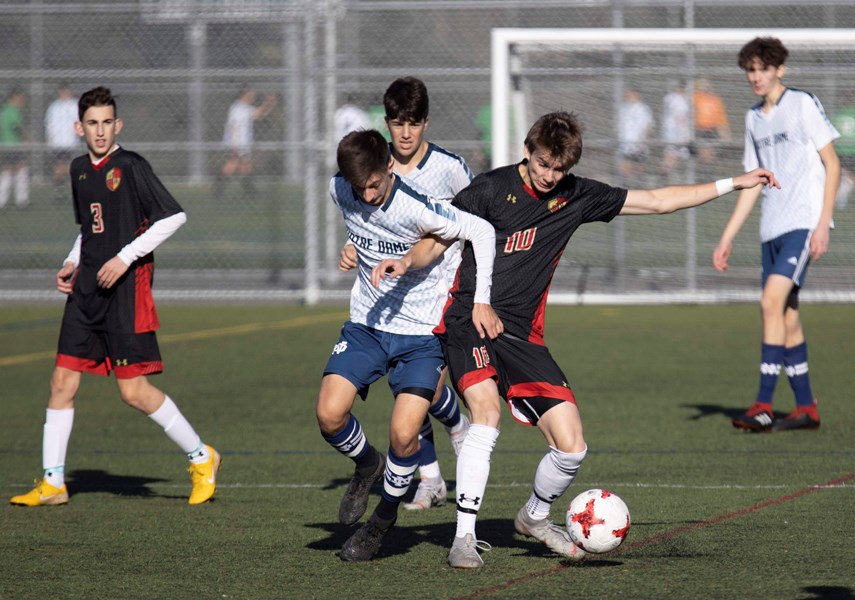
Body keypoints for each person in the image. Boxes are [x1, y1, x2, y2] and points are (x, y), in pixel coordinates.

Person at [380, 111, 778, 569]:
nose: (550, 176)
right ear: (527, 152)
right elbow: (438, 236)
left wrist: (735, 182)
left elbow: (657, 201)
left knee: (572, 445)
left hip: (522, 335)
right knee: (486, 415)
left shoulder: (575, 195)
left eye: (559, 169)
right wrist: (409, 263)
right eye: (543, 164)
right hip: (471, 318)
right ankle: (464, 537)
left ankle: (533, 516)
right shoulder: (490, 189)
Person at [10, 86, 220, 508]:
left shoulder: (131, 166)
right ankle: (54, 483)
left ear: (118, 125)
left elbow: (173, 216)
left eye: (107, 122)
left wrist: (125, 258)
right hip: (85, 291)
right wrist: (72, 260)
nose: (100, 131)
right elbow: (89, 228)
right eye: (92, 123)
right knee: (61, 381)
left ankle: (202, 457)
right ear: (78, 127)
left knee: (133, 392)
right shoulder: (77, 170)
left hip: (125, 293)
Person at [318, 129, 501, 562]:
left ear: (388, 169)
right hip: (367, 322)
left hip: (420, 334)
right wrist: (351, 249)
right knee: (328, 415)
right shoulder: (340, 189)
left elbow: (481, 231)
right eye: (358, 187)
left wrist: (480, 300)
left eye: (375, 184)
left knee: (404, 435)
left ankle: (381, 520)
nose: (367, 194)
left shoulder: (416, 203)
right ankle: (367, 464)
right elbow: (362, 227)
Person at [338, 77, 475, 512]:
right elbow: (365, 219)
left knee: (423, 392)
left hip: (435, 294)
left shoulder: (450, 168)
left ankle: (456, 423)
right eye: (397, 122)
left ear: (426, 122)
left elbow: (471, 221)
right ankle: (431, 478)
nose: (405, 132)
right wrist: (351, 245)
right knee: (406, 399)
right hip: (385, 298)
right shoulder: (374, 168)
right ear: (386, 123)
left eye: (413, 123)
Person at [714, 37, 841, 433]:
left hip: (803, 224)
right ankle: (806, 409)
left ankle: (764, 404)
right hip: (771, 229)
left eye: (763, 69)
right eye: (750, 70)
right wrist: (727, 236)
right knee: (786, 315)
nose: (756, 77)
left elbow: (833, 165)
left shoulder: (802, 103)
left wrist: (823, 224)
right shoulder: (753, 118)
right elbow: (753, 183)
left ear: (779, 69)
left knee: (770, 303)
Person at [217, 86, 276, 197]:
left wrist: (269, 103)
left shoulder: (245, 108)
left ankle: (248, 191)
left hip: (243, 143)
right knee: (233, 165)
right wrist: (234, 144)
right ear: (244, 94)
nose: (253, 97)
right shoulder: (237, 108)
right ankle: (248, 192)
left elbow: (259, 115)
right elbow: (233, 126)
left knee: (244, 166)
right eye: (251, 94)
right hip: (237, 143)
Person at [45, 83, 80, 201]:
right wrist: (50, 138)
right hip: (58, 142)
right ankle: (59, 193)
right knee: (61, 166)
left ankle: (63, 192)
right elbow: (49, 124)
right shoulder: (54, 106)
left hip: (70, 141)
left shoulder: (74, 105)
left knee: (65, 166)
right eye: (62, 91)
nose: (65, 94)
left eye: (67, 91)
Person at [693, 78, 731, 174]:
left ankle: (708, 173)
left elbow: (721, 119)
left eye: (707, 84)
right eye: (702, 84)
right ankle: (701, 174)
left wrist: (724, 134)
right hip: (698, 130)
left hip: (711, 130)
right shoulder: (695, 97)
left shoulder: (715, 99)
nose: (705, 86)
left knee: (710, 155)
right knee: (703, 154)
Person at [617, 87, 654, 182]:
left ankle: (639, 186)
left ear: (637, 95)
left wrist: (643, 141)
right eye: (628, 95)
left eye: (632, 95)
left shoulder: (643, 108)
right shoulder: (624, 108)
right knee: (625, 167)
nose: (629, 97)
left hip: (639, 143)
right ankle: (626, 188)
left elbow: (647, 126)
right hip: (625, 144)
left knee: (639, 168)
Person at [0, 88, 29, 209]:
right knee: (20, 170)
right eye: (20, 98)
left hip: (5, 145)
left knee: (8, 172)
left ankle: (3, 201)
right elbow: (16, 128)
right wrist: (27, 138)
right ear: (13, 98)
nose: (22, 101)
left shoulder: (3, 111)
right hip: (14, 146)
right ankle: (21, 200)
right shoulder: (12, 111)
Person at [660, 80, 692, 179]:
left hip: (671, 130)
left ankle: (668, 173)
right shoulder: (678, 99)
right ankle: (665, 173)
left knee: (675, 153)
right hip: (675, 131)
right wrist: (683, 133)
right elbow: (680, 117)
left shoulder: (671, 97)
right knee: (672, 153)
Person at [830, 94, 855, 209]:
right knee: (850, 177)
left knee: (842, 177)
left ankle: (838, 198)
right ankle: (840, 199)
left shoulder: (838, 114)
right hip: (852, 151)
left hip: (839, 152)